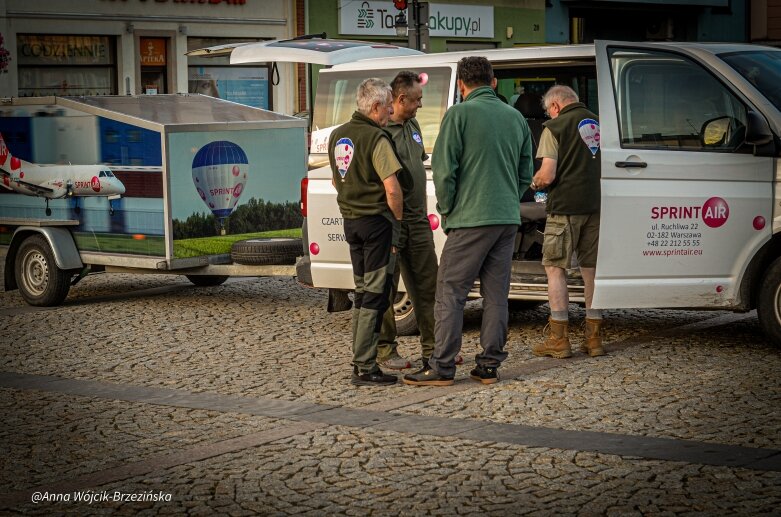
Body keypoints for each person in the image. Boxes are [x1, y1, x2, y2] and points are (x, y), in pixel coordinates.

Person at [404, 56, 534, 387]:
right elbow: (525, 174)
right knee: (496, 295)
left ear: (461, 85)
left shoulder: (458, 114)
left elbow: (445, 171)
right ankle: (489, 365)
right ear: (492, 83)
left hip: (470, 218)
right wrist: (507, 198)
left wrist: (448, 212)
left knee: (450, 291)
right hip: (506, 219)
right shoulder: (515, 117)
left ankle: (442, 366)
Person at [327, 78, 405, 386]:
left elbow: (336, 181)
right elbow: (392, 189)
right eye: (387, 107)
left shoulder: (338, 135)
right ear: (374, 107)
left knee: (361, 293)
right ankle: (365, 365)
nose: (389, 112)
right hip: (376, 224)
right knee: (374, 295)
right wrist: (396, 225)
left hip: (351, 222)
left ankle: (361, 360)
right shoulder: (377, 138)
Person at [529, 84, 605, 359]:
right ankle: (594, 339)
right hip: (595, 206)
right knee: (590, 270)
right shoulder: (599, 121)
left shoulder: (555, 126)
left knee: (555, 268)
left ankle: (559, 339)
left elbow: (547, 174)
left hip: (564, 208)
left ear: (555, 106)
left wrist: (535, 181)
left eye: (549, 110)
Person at [376, 71, 439, 371]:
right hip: (390, 222)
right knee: (386, 289)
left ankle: (435, 349)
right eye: (416, 100)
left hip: (417, 221)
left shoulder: (412, 124)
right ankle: (386, 351)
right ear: (400, 99)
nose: (420, 106)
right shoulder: (381, 131)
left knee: (429, 286)